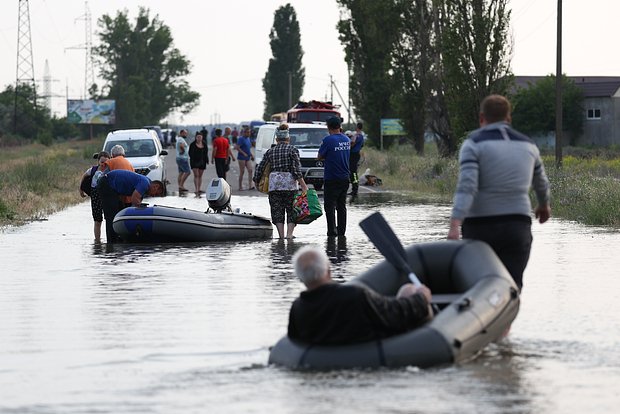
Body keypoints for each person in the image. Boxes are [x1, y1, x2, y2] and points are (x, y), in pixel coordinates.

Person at [447, 94, 551, 291]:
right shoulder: (529, 145)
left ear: (481, 118)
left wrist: (455, 223)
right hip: (517, 227)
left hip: (480, 228)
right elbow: (541, 183)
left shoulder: (473, 144)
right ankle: (507, 322)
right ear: (509, 119)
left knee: (480, 291)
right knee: (511, 290)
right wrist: (544, 205)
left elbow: (467, 186)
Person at [287, 246, 433, 346]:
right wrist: (421, 297)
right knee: (409, 290)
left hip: (328, 355)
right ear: (329, 270)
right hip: (369, 352)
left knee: (406, 291)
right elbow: (393, 314)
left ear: (301, 278)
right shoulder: (355, 295)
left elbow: (293, 342)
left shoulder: (298, 308)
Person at [253, 123, 308, 239]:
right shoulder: (293, 150)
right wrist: (303, 185)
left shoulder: (270, 151)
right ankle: (289, 235)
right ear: (288, 138)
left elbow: (260, 168)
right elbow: (296, 170)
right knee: (292, 209)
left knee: (277, 210)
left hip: (275, 185)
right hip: (290, 185)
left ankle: (281, 236)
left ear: (277, 139)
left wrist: (256, 181)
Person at [97, 169, 165, 243]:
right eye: (155, 194)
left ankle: (118, 239)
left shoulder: (146, 182)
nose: (153, 196)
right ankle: (111, 242)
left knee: (118, 213)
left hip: (112, 186)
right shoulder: (145, 183)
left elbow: (136, 202)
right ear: (155, 186)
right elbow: (134, 199)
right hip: (106, 183)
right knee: (111, 215)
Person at [318, 116, 350, 237]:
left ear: (328, 127)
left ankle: (332, 232)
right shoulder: (346, 139)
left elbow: (319, 156)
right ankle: (342, 231)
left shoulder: (328, 140)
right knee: (341, 206)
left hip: (331, 178)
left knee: (329, 206)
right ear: (339, 126)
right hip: (344, 178)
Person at [79, 151, 110, 241]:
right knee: (97, 220)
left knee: (109, 219)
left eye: (106, 162)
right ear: (98, 161)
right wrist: (81, 189)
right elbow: (84, 176)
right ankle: (97, 241)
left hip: (107, 196)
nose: (104, 164)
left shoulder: (111, 170)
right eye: (102, 162)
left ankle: (110, 240)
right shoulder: (93, 170)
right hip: (95, 196)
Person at [349, 122, 365, 197]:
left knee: (353, 172)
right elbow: (362, 145)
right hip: (357, 154)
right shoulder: (362, 136)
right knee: (354, 171)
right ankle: (355, 188)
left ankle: (354, 189)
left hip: (353, 155)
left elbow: (353, 143)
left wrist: (348, 147)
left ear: (357, 127)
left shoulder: (356, 135)